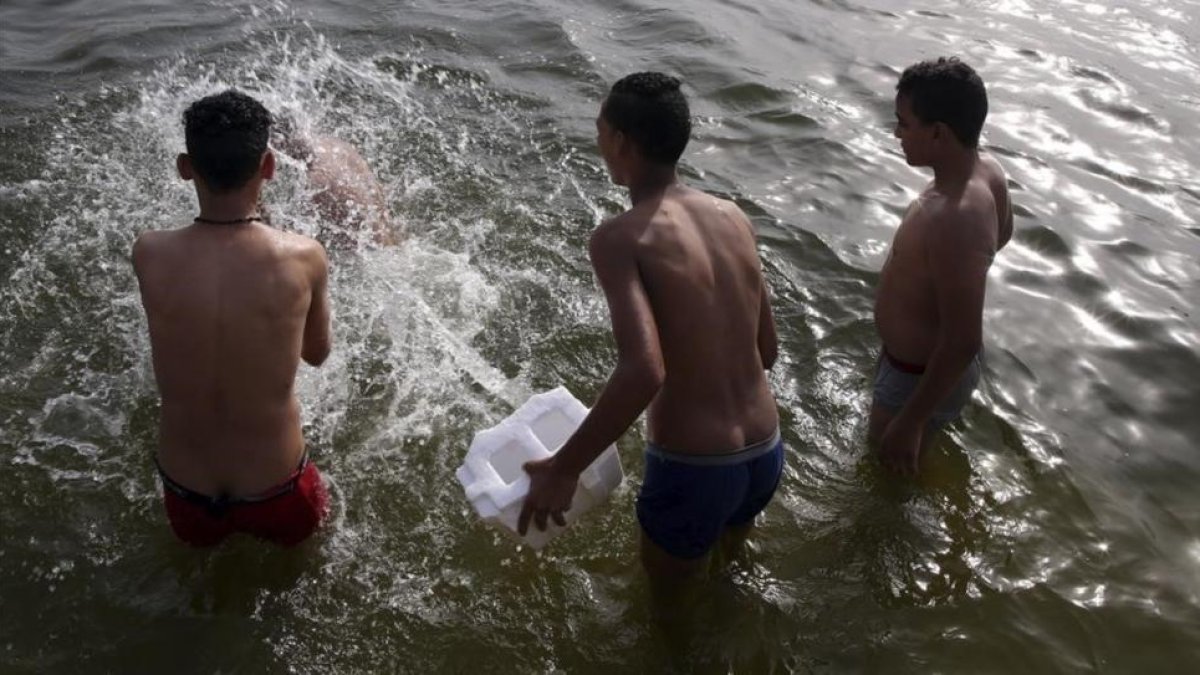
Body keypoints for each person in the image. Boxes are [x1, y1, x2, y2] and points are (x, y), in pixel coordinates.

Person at [517, 72, 784, 582]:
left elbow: (644, 371)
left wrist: (564, 467)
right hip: (766, 452)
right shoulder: (733, 217)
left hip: (697, 468)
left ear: (621, 141)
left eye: (600, 130)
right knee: (728, 582)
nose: (598, 142)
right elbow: (766, 351)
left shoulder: (620, 239)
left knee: (670, 623)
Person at [132, 90, 332, 547]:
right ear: (269, 166)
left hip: (186, 491)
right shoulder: (303, 256)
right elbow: (317, 355)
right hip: (279, 487)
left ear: (185, 168)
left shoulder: (149, 252)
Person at [871, 57, 1013, 474]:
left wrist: (910, 421)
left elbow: (964, 339)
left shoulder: (955, 216)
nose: (897, 133)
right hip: (924, 370)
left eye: (904, 123)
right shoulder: (988, 170)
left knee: (886, 482)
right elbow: (1002, 238)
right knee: (907, 468)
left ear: (938, 132)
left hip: (918, 376)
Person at [272, 114, 397, 247]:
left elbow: (290, 239)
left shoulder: (319, 181)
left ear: (276, 142)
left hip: (369, 256)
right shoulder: (335, 146)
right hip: (390, 242)